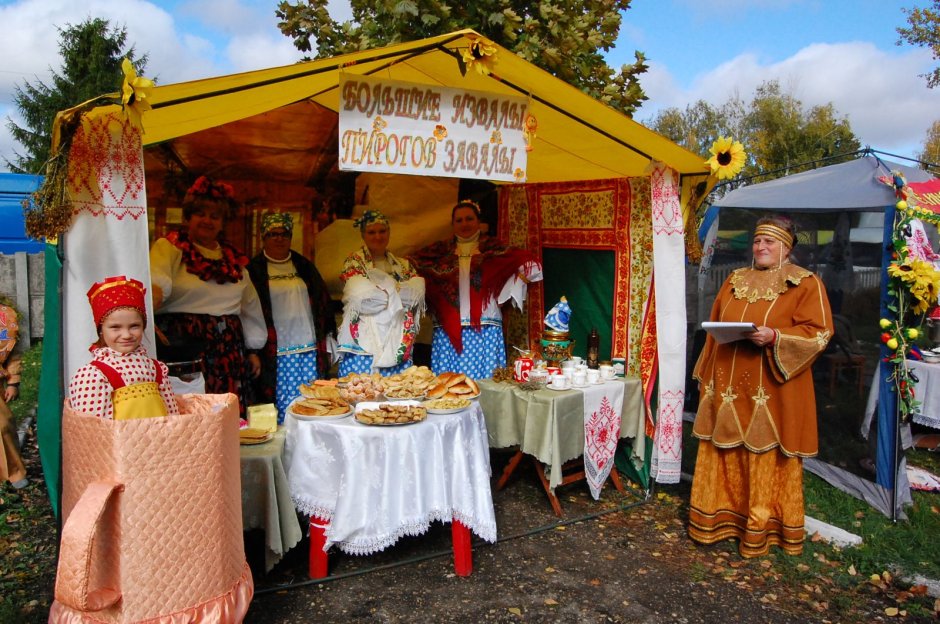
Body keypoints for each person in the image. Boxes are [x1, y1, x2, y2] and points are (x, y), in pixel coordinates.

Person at [689, 215, 833, 558]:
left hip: (771, 388)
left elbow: (820, 333)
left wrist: (775, 336)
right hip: (727, 384)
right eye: (757, 241)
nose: (761, 247)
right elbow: (716, 323)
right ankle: (715, 518)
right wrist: (707, 373)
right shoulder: (735, 279)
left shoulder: (805, 283)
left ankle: (758, 528)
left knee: (763, 451)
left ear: (787, 246)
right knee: (723, 449)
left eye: (769, 241)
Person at [149, 175, 266, 418]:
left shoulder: (235, 263)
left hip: (228, 349)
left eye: (215, 216)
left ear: (222, 222)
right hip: (183, 346)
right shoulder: (169, 249)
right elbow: (155, 286)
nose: (207, 221)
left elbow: (250, 306)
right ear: (188, 217)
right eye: (201, 214)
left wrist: (253, 349)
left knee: (225, 413)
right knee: (191, 413)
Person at [409, 199, 542, 379]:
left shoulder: (494, 250)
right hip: (448, 327)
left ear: (478, 221)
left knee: (484, 381)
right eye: (459, 220)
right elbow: (408, 266)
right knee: (449, 382)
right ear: (452, 224)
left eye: (469, 219)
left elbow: (532, 265)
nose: (465, 224)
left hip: (485, 325)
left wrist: (504, 292)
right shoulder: (439, 252)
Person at [248, 212, 337, 421]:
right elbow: (248, 311)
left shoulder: (304, 267)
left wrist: (328, 335)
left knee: (312, 402)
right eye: (273, 234)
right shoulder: (255, 270)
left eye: (284, 234)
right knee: (282, 404)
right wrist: (251, 350)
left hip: (308, 348)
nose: (279, 238)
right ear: (263, 237)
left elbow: (322, 302)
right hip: (275, 353)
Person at [68, 276, 179, 420]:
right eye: (115, 327)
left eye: (134, 326)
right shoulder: (94, 375)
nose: (126, 335)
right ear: (101, 330)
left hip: (159, 442)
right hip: (121, 442)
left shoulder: (156, 369)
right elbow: (95, 430)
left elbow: (173, 418)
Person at [336, 210, 425, 377]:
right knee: (362, 392)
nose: (378, 236)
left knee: (396, 391)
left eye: (382, 231)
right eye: (371, 232)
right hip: (363, 340)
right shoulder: (353, 262)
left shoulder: (403, 264)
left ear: (389, 232)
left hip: (397, 336)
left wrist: (380, 292)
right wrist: (397, 291)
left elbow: (416, 295)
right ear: (363, 235)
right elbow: (362, 299)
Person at [0, 298, 27, 488]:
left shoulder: (4, 318)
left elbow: (13, 354)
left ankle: (14, 471)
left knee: (3, 426)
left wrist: (13, 382)